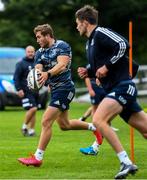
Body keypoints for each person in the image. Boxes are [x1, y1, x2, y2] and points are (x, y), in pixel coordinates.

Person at [75, 5, 147, 179]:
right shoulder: (89, 43)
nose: (76, 27)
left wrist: (107, 67)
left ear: (85, 22)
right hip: (117, 88)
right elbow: (102, 65)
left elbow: (123, 44)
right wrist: (90, 72)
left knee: (99, 120)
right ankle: (126, 163)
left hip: (122, 87)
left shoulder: (100, 33)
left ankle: (126, 163)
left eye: (77, 23)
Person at [17, 23, 103, 167]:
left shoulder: (62, 46)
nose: (37, 40)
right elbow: (38, 69)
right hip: (55, 90)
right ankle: (95, 128)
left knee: (45, 121)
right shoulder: (39, 53)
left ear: (47, 35)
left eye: (39, 37)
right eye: (36, 37)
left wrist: (47, 73)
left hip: (65, 88)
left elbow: (62, 65)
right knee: (65, 125)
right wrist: (36, 77)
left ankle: (38, 158)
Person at [79, 77, 119, 155]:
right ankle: (95, 147)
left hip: (120, 93)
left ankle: (93, 127)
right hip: (114, 92)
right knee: (104, 121)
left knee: (102, 121)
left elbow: (134, 67)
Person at [14, 45, 39, 136]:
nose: (30, 53)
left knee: (34, 110)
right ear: (26, 52)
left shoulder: (37, 63)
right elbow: (16, 78)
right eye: (29, 52)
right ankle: (24, 126)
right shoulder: (21, 63)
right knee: (33, 108)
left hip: (36, 90)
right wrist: (19, 89)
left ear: (34, 52)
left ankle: (31, 130)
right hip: (26, 91)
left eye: (32, 51)